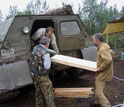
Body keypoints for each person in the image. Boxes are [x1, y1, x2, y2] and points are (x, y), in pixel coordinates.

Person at [30, 37, 56, 107]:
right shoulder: (46, 53)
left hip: (34, 74)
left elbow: (43, 50)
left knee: (38, 92)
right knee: (48, 94)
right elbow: (47, 66)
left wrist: (51, 51)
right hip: (42, 76)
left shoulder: (35, 48)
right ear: (47, 44)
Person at [91, 33, 113, 107]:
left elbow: (109, 60)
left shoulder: (103, 49)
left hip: (103, 73)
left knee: (99, 91)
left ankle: (107, 105)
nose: (93, 41)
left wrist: (100, 68)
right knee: (98, 87)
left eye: (93, 40)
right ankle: (97, 103)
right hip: (103, 72)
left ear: (97, 40)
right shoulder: (102, 46)